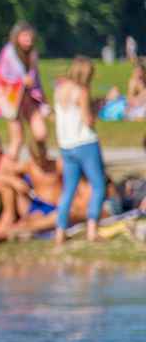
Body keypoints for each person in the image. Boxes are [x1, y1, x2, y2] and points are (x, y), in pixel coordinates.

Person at [54, 57, 108, 245]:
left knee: (68, 190)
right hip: (85, 143)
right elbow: (88, 121)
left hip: (66, 145)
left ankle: (60, 231)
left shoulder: (60, 89)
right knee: (98, 185)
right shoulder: (82, 90)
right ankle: (92, 230)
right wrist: (99, 107)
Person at [0, 21, 48, 160]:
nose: (28, 40)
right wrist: (21, 80)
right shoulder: (9, 52)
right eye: (25, 36)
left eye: (30, 36)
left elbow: (36, 78)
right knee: (17, 139)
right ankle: (8, 167)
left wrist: (43, 99)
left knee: (41, 133)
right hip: (12, 99)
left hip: (29, 98)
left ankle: (39, 163)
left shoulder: (32, 54)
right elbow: (2, 76)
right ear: (17, 36)